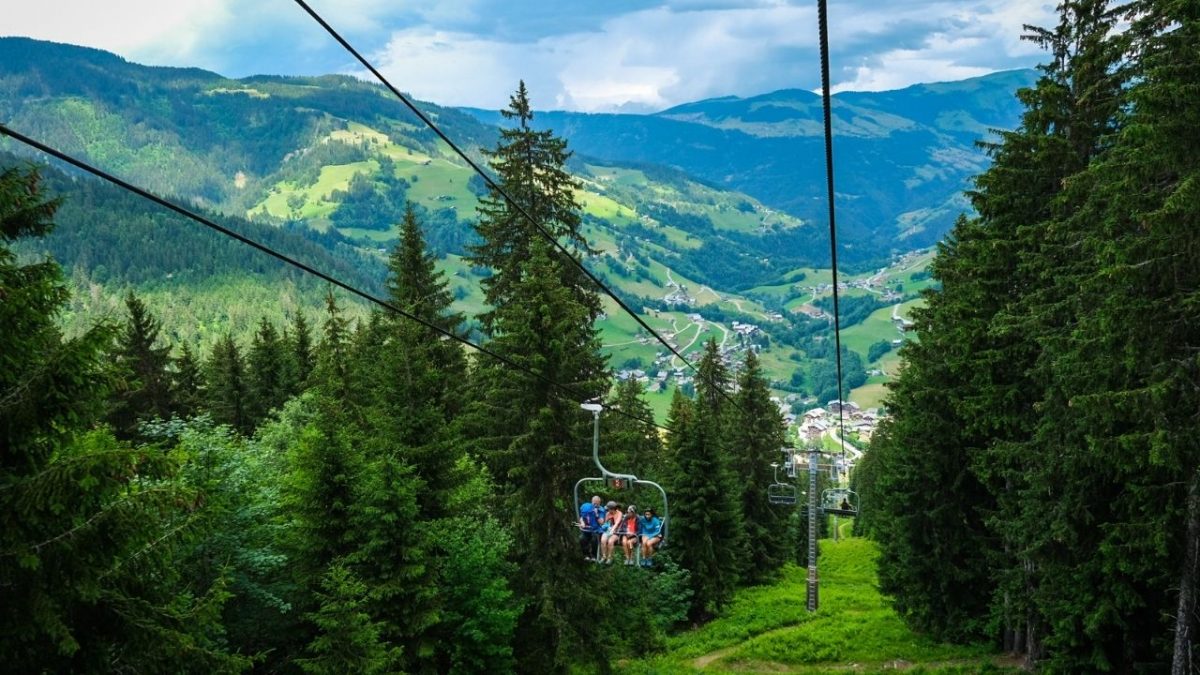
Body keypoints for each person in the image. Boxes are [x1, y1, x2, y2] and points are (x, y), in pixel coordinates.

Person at [579, 497, 604, 561]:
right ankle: (586, 555)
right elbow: (582, 517)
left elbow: (601, 522)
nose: (595, 505)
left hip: (596, 530)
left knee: (594, 540)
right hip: (587, 530)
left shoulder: (601, 510)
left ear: (599, 503)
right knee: (582, 538)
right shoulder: (586, 507)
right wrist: (582, 522)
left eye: (597, 503)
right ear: (592, 502)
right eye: (594, 503)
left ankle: (594, 556)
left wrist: (596, 514)